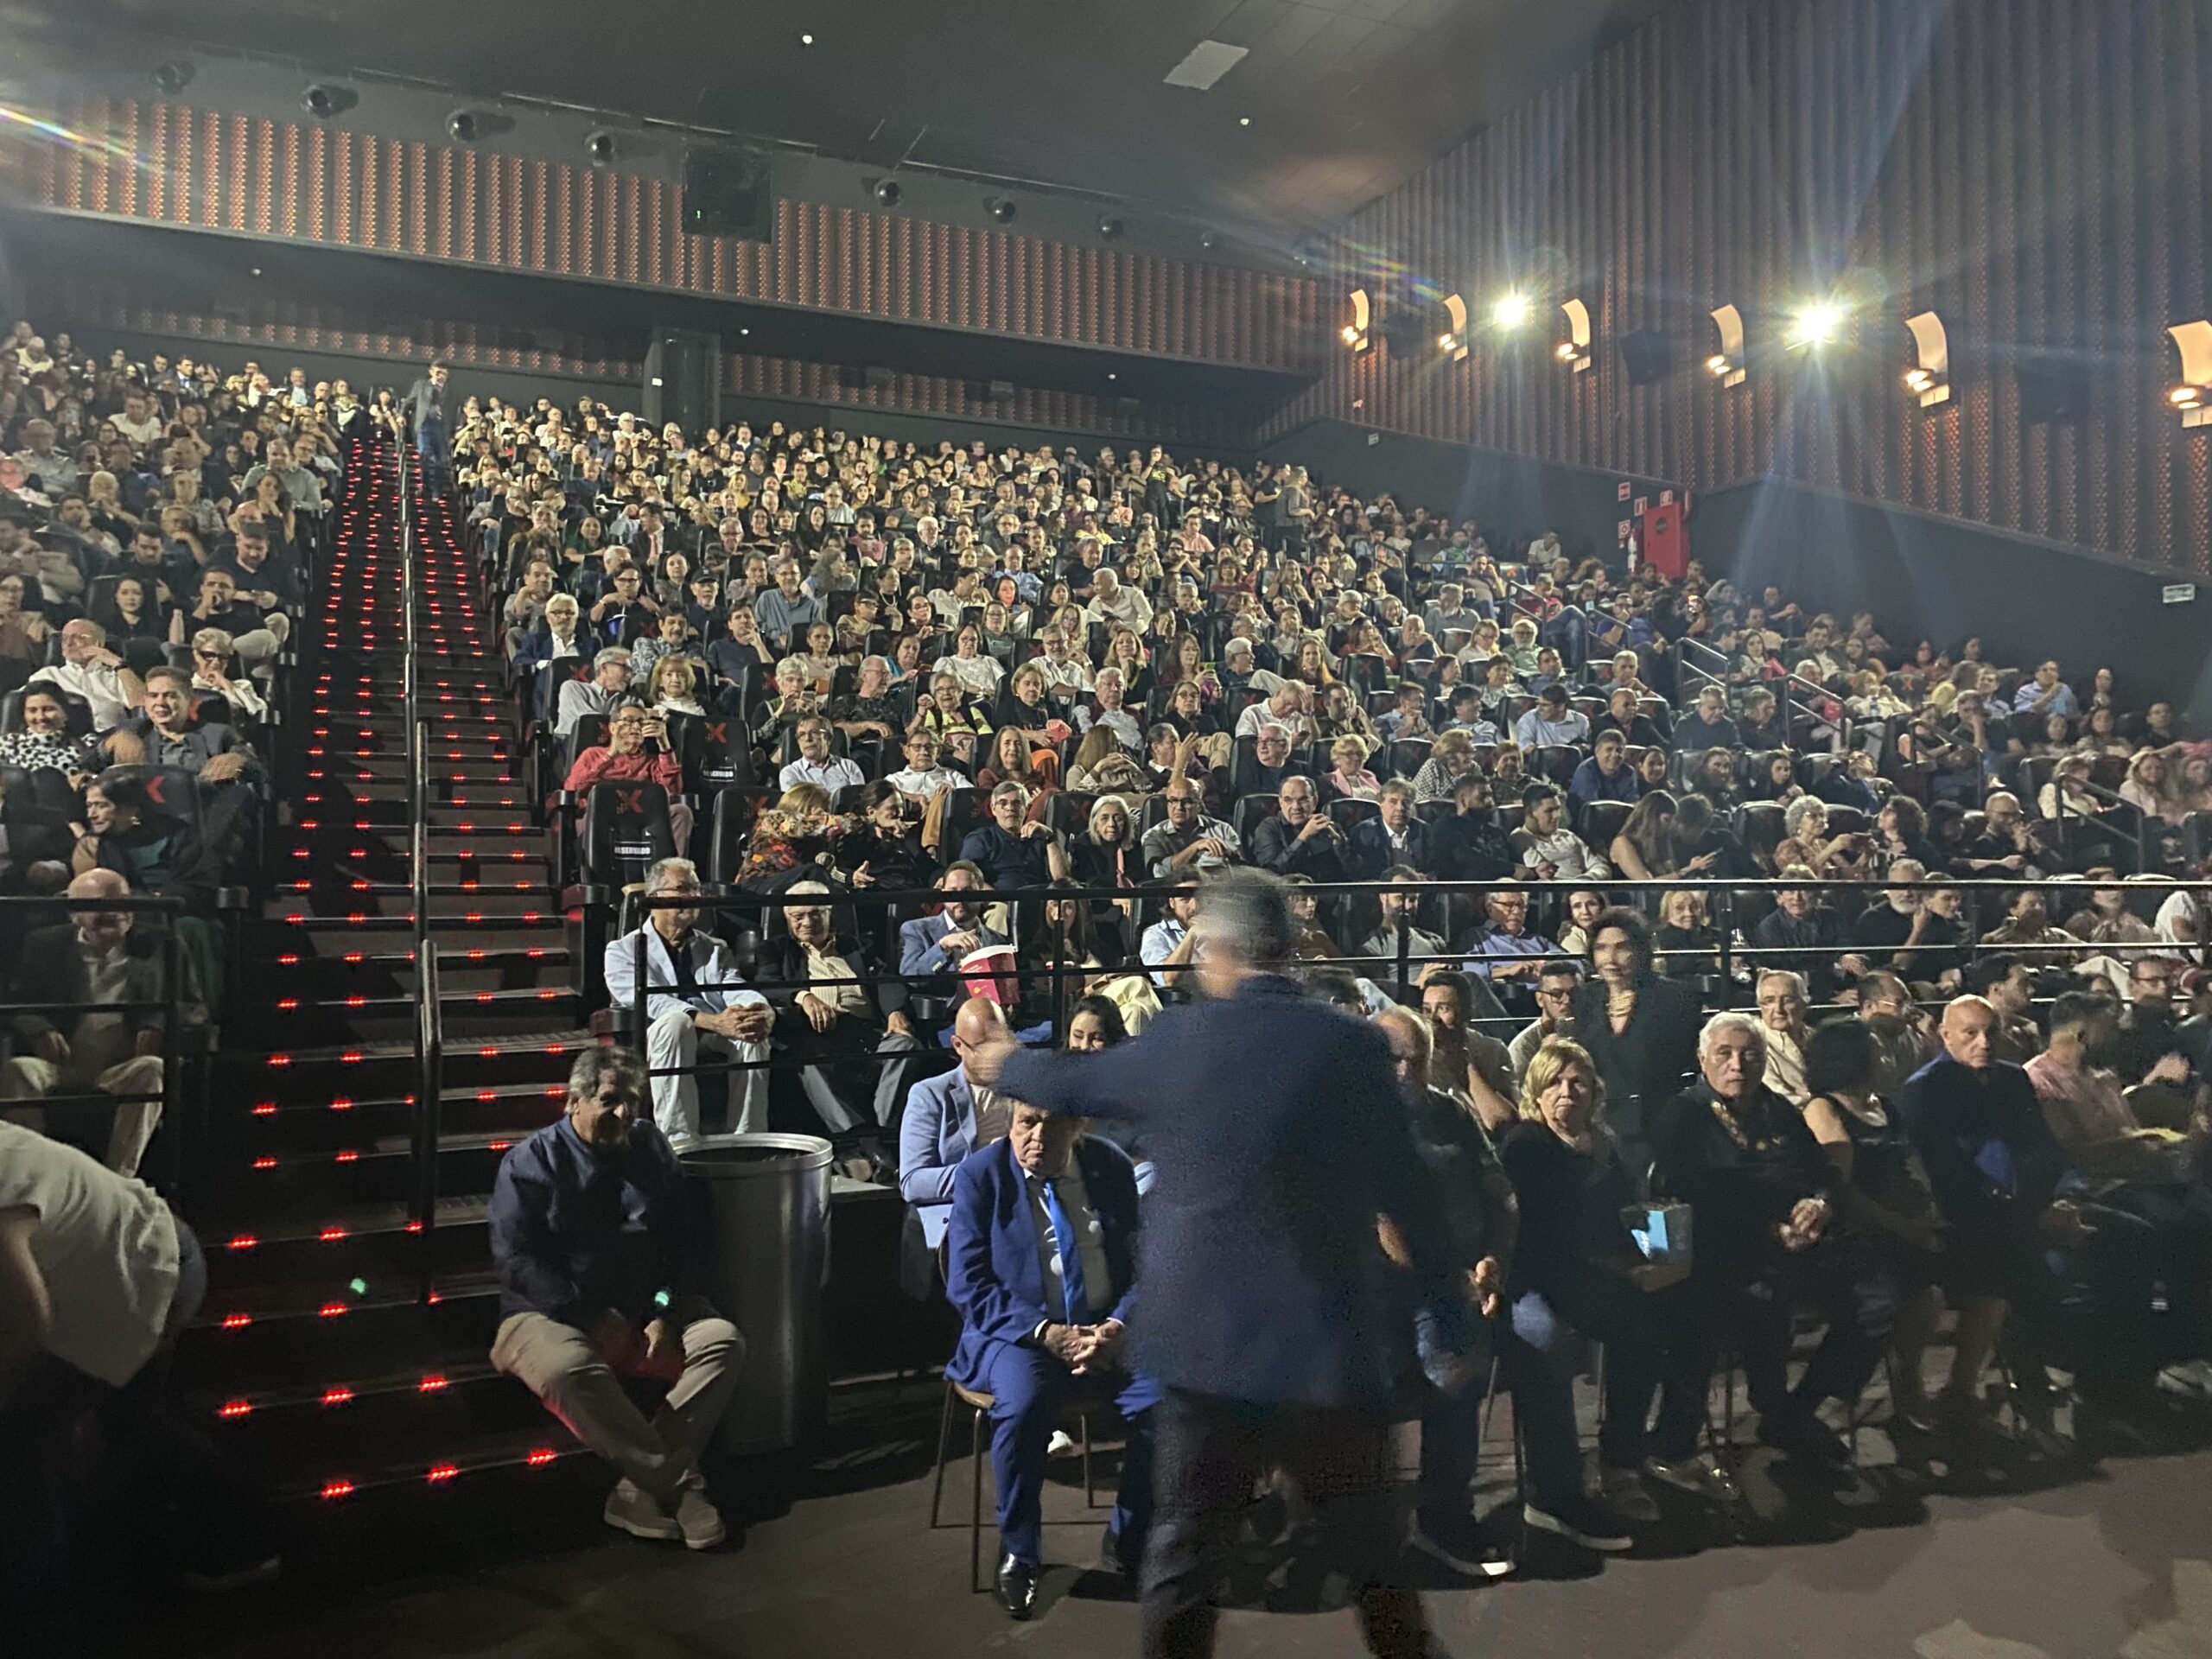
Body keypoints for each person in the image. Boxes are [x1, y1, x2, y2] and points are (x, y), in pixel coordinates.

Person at [967, 869, 1478, 1659]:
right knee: (1377, 1567)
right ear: (1289, 943)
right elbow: (1413, 1196)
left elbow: (1076, 1079)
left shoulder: (1183, 1039)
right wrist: (1449, 1313)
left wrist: (1004, 1059)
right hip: (1326, 1351)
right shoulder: (1351, 1045)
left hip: (1206, 1355)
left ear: (1215, 948)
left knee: (1186, 1564)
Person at [0, 1121, 279, 1603]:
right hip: (144, 1245)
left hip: (139, 1268)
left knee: (22, 1447)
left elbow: (27, 1315)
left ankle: (35, 1605)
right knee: (131, 1425)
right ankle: (241, 1544)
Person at [486, 1048, 745, 1550]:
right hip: (549, 1311)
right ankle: (682, 1487)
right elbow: (516, 1260)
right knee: (566, 1370)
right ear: (573, 1102)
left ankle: (634, 1490)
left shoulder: (648, 1144)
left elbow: (689, 1239)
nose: (624, 1114)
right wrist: (587, 1313)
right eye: (610, 1100)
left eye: (632, 1101)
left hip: (645, 1308)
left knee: (722, 1341)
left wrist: (663, 1311)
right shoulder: (530, 1162)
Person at [1898, 997, 2161, 1442]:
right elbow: (1950, 1175)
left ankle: (2114, 1380)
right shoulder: (1925, 1090)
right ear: (1944, 1035)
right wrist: (2033, 1215)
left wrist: (2063, 1198)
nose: (1984, 1043)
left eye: (1991, 1032)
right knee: (2025, 1264)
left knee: (2136, 1238)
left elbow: (2043, 1149)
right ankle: (2020, 1377)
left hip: (2039, 1205)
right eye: (1970, 1033)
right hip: (1976, 1216)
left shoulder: (2011, 1078)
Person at [1496, 1039, 1737, 1516]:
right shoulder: (1527, 1143)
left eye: (1577, 1082)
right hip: (1549, 1272)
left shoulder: (1606, 1143)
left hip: (1609, 1264)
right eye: (1555, 1083)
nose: (1567, 1092)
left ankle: (1674, 1445)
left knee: (1697, 1310)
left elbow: (1626, 1211)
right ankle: (1619, 1462)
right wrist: (1618, 1262)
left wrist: (1658, 1237)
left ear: (1594, 1090)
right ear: (1537, 1091)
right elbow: (1547, 1229)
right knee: (1639, 1327)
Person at [944, 1098, 1159, 1618]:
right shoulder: (981, 1175)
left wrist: (1117, 1326)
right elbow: (968, 1284)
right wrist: (1047, 1333)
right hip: (1021, 1335)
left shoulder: (1108, 1165)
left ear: (1079, 1127)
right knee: (1021, 1408)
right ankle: (1020, 1551)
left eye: (1050, 1124)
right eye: (1026, 1123)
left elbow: (1143, 1265)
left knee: (1167, 1403)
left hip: (1104, 1330)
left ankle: (1129, 1541)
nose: (1035, 1137)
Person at [1652, 1014, 1895, 1465]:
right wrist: (1768, 1231)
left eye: (1749, 1054)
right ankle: (1728, 1416)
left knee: (1878, 1298)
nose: (1737, 1065)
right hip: (1721, 1247)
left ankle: (1799, 1406)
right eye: (1724, 1054)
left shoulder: (1779, 1109)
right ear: (1702, 1059)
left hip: (1800, 1242)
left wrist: (1819, 1203)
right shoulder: (1682, 1116)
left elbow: (1822, 1174)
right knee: (1750, 1300)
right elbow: (1682, 1195)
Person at [1, 870, 170, 1178]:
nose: (115, 913)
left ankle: (118, 1180)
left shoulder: (160, 944)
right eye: (101, 904)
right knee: (18, 1071)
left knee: (153, 1070)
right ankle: (37, 1177)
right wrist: (39, 1029)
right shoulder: (43, 944)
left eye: (122, 902)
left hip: (121, 1065)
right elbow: (16, 1001)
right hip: (63, 1062)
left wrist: (156, 1024)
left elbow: (192, 1004)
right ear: (74, 913)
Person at [601, 858, 773, 1147]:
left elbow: (733, 987)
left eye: (696, 890)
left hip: (715, 1030)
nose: (693, 897)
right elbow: (651, 1001)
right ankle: (679, 1142)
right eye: (682, 888)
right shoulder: (622, 950)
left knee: (751, 1031)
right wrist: (709, 1020)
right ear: (654, 898)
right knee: (676, 1022)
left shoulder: (714, 947)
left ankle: (748, 1141)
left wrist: (761, 1010)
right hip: (661, 1034)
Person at [752, 880, 924, 1143]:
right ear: (787, 917)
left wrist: (894, 1012)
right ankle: (859, 1138)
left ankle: (881, 1132)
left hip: (867, 1035)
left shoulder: (857, 947)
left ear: (829, 912)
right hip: (818, 1036)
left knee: (906, 1045)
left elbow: (886, 980)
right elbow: (767, 984)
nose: (807, 922)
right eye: (798, 916)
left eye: (815, 914)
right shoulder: (775, 950)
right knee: (807, 1061)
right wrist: (803, 996)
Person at [1570, 907, 1700, 1173]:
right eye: (1602, 948)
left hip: (1657, 1126)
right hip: (1600, 1126)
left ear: (1641, 951)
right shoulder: (1585, 999)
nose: (1611, 959)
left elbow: (1685, 1065)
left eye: (1621, 948)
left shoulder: (1675, 998)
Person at [898, 997, 1014, 1248]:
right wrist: (984, 1169)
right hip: (961, 1217)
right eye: (982, 1047)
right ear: (958, 1045)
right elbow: (913, 1182)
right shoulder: (930, 1095)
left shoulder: (1024, 1089)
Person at [896, 862, 1010, 995]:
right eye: (953, 892)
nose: (960, 899)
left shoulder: (998, 941)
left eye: (968, 892)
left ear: (982, 896)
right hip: (939, 1011)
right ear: (942, 894)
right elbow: (911, 978)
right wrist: (942, 947)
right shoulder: (916, 930)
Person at [1141, 778, 1241, 877]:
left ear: (1199, 805)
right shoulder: (1153, 836)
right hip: (1173, 891)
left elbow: (1242, 867)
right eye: (1173, 801)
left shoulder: (1223, 830)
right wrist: (1195, 847)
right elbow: (1159, 872)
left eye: (1187, 801)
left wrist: (1229, 854)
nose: (1179, 807)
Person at [1756, 969, 1813, 1104]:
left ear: (1804, 1003)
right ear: (1760, 1006)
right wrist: (1814, 1098)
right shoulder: (1755, 1044)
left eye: (1787, 1000)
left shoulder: (1820, 1039)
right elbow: (1778, 1099)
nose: (1779, 1009)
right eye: (1769, 1001)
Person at [777, 714, 865, 795]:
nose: (808, 738)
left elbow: (858, 801)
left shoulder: (849, 767)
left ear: (828, 738)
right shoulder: (790, 773)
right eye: (802, 735)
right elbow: (796, 806)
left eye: (814, 733)